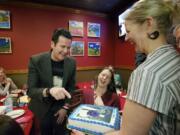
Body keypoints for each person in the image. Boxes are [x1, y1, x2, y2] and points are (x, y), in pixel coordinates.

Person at [73, 0, 180, 135]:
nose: (126, 37)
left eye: (128, 30)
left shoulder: (147, 73)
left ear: (149, 24)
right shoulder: (174, 59)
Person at [27, 28, 76, 135]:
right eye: (62, 46)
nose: (66, 51)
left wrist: (65, 107)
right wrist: (49, 91)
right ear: (52, 44)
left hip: (61, 109)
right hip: (42, 110)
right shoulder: (36, 60)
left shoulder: (72, 63)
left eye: (68, 47)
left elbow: (71, 88)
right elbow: (31, 91)